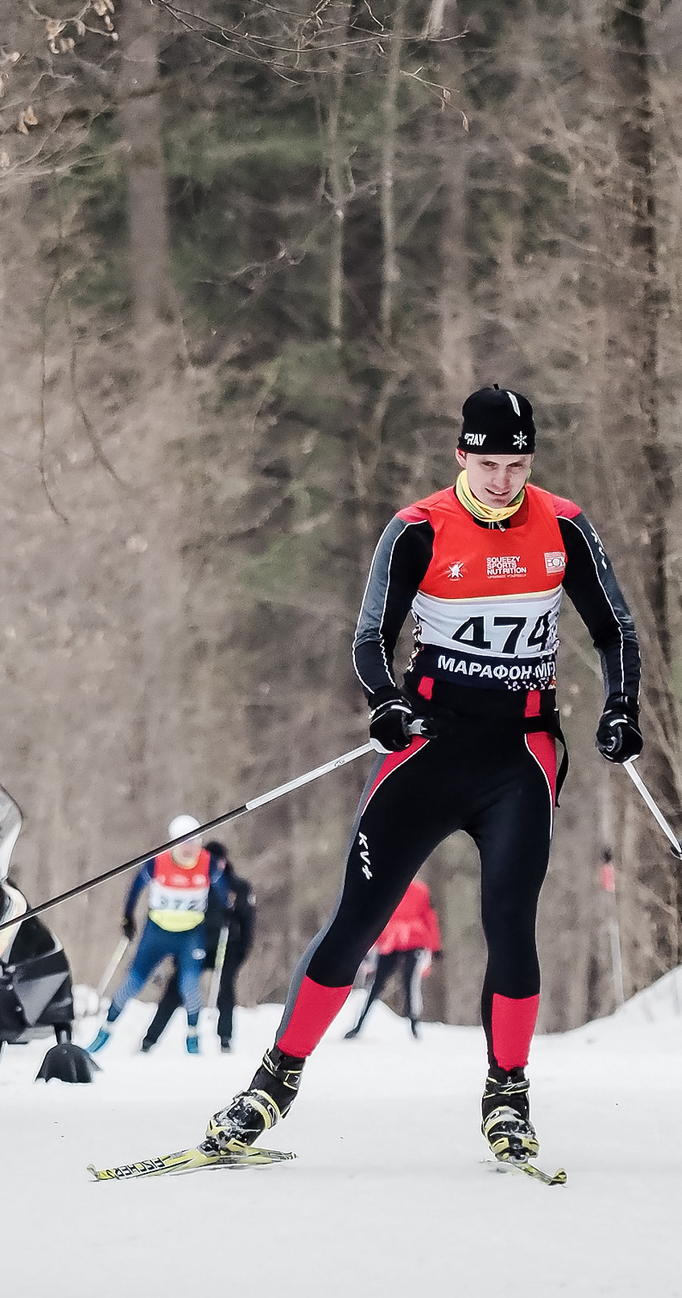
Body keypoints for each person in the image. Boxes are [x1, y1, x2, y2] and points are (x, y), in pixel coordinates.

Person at [202, 384, 647, 1168]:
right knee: (357, 922)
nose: (504, 481)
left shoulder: (566, 525)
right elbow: (371, 635)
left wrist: (620, 707)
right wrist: (385, 703)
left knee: (511, 925)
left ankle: (508, 1095)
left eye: (517, 464)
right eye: (487, 464)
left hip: (520, 753)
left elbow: (613, 627)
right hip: (430, 747)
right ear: (461, 457)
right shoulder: (417, 528)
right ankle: (273, 1083)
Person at [90, 817, 231, 1056]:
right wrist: (128, 917)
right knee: (132, 983)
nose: (190, 848)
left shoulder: (208, 864)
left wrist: (226, 912)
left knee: (189, 986)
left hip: (190, 935)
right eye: (184, 842)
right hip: (157, 933)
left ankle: (193, 1039)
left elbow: (223, 892)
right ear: (173, 843)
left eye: (195, 841)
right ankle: (104, 1031)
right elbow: (135, 889)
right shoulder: (158, 862)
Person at [143, 846, 256, 1053]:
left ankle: (225, 1038)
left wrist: (243, 947)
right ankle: (150, 1039)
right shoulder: (196, 882)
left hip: (227, 946)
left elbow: (248, 919)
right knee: (177, 988)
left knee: (225, 988)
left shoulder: (237, 886)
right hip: (198, 944)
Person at [346, 876, 439, 1038]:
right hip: (390, 941)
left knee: (410, 982)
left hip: (413, 941)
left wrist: (435, 946)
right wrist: (368, 945)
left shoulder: (420, 890)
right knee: (377, 984)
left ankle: (414, 1026)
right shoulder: (387, 886)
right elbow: (377, 918)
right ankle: (359, 1025)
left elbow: (428, 917)